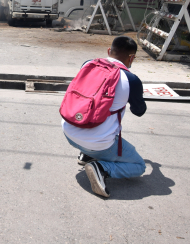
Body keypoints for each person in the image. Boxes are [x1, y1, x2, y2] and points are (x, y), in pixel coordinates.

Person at [62, 36, 147, 198]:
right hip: (98, 143)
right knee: (139, 166)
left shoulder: (87, 64)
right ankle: (101, 168)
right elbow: (139, 111)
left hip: (69, 131)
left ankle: (86, 154)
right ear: (132, 58)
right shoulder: (131, 80)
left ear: (109, 51)